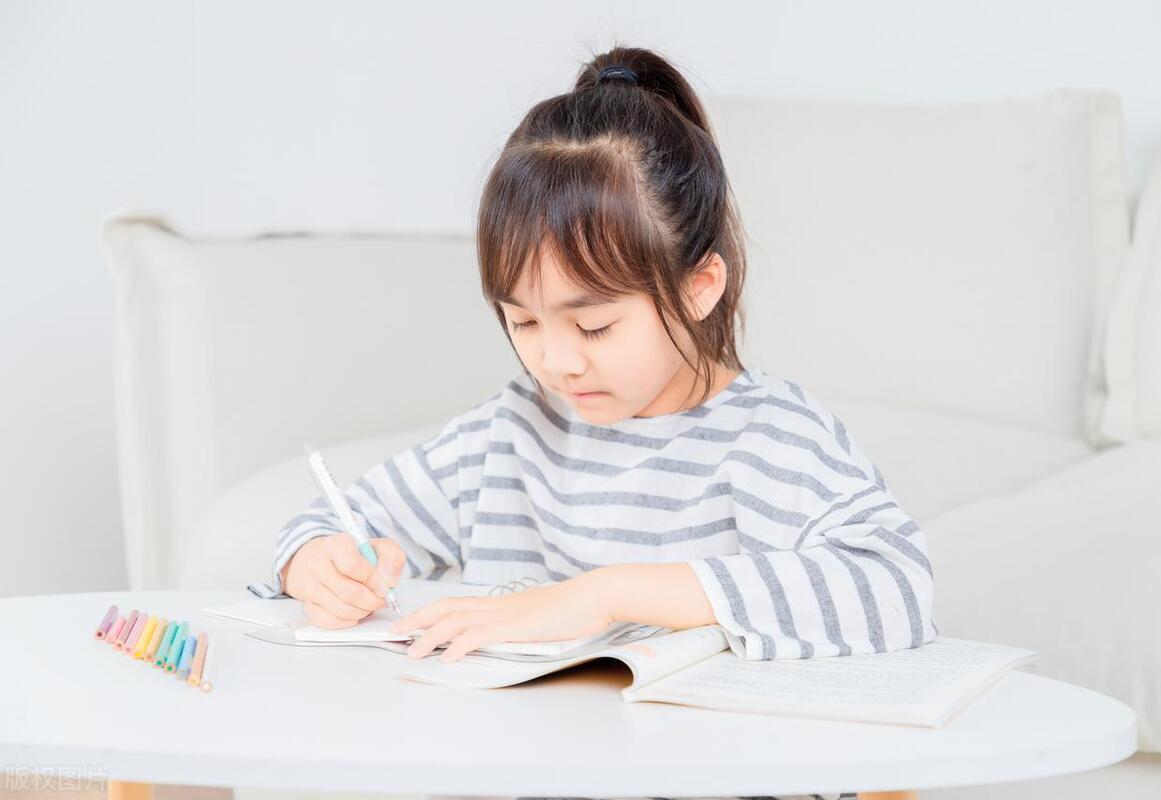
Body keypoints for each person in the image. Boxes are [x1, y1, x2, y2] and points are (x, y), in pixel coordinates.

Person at [250, 48, 933, 799]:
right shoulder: (513, 431)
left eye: (595, 326)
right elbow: (328, 523)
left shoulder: (771, 438)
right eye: (523, 322)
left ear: (700, 287)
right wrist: (319, 565)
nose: (557, 362)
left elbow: (893, 586)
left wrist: (601, 595)